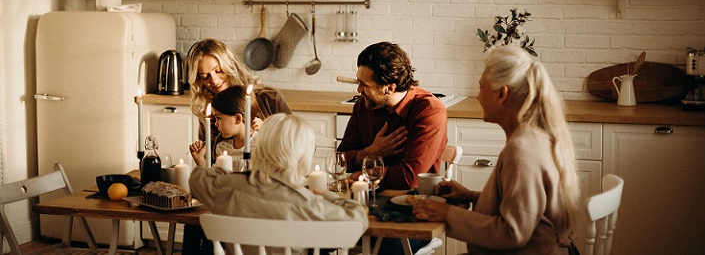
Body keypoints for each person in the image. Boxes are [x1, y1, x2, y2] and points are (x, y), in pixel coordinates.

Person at [411, 45, 581, 254]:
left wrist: (448, 214)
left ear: (502, 94)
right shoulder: (535, 136)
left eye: (481, 87)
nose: (479, 96)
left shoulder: (522, 149)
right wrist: (471, 196)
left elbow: (513, 232)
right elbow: (526, 208)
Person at [190, 113, 369, 255]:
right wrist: (323, 193)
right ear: (303, 155)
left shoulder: (227, 187)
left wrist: (234, 176)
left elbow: (198, 177)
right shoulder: (309, 203)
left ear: (260, 147)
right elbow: (357, 218)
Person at [338, 41, 448, 190]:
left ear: (389, 88)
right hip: (367, 197)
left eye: (365, 85)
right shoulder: (364, 105)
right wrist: (370, 153)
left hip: (413, 204)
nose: (359, 89)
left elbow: (410, 178)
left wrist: (361, 174)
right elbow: (341, 159)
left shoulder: (429, 111)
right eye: (359, 82)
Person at [185, 38, 291, 164]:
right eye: (205, 77)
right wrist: (213, 137)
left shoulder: (268, 97)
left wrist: (268, 129)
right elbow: (212, 164)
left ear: (230, 66)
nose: (214, 80)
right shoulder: (209, 110)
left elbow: (299, 142)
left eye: (218, 70)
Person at [190, 85, 290, 171]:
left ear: (238, 118)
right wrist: (200, 161)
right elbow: (215, 180)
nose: (216, 124)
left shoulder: (262, 144)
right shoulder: (222, 147)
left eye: (218, 118)